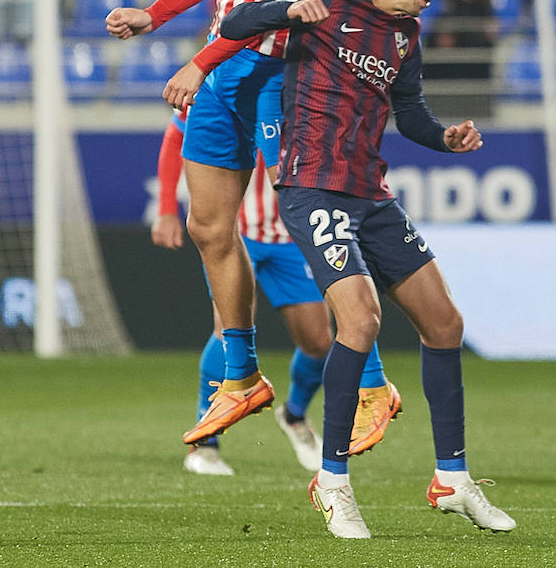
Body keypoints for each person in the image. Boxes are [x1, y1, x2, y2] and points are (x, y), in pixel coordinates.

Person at [218, 0, 515, 539]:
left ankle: (452, 479)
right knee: (360, 320)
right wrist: (286, 11)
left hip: (369, 192)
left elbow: (409, 111)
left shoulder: (406, 34)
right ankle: (332, 483)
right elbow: (236, 22)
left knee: (445, 322)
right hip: (311, 185)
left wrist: (444, 137)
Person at [105, 0, 371, 447]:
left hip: (281, 69)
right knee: (208, 227)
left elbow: (277, 3)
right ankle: (244, 376)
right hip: (225, 62)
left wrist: (200, 61)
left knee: (309, 217)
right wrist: (158, 14)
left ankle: (373, 380)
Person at [152, 112, 398, 476]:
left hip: (292, 239)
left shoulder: (310, 87)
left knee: (318, 342)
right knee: (226, 329)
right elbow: (176, 136)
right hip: (236, 233)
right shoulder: (229, 82)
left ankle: (294, 415)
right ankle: (205, 445)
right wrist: (166, 209)